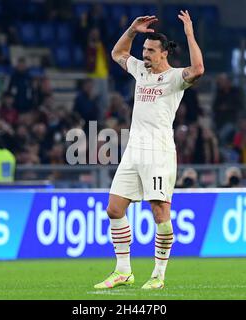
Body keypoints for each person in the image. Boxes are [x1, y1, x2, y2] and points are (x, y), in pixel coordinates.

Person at [94, 12, 204, 290]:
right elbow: (117, 52)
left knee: (159, 213)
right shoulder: (140, 71)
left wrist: (190, 34)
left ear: (164, 53)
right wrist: (132, 29)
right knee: (114, 209)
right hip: (134, 152)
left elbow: (199, 69)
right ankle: (122, 271)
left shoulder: (175, 78)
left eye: (151, 51)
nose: (145, 55)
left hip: (159, 152)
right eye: (144, 50)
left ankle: (158, 274)